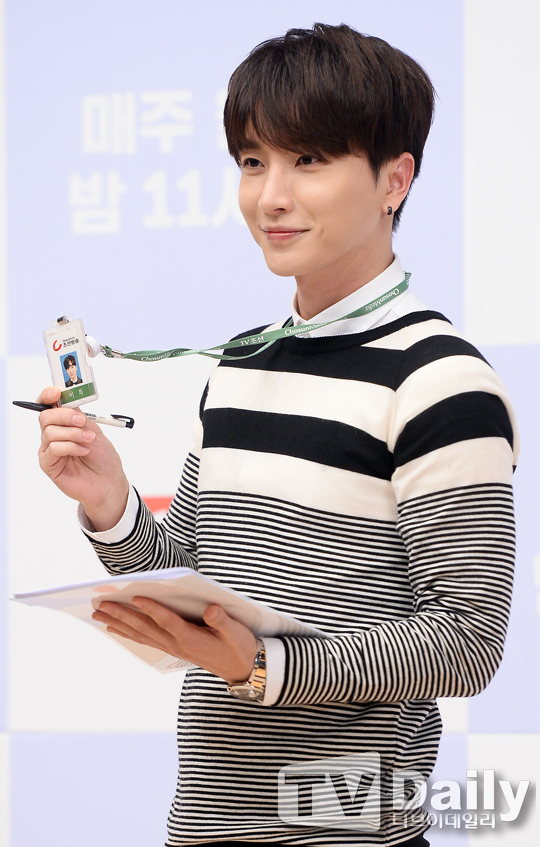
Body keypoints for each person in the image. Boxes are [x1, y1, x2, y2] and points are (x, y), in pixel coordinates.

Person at [36, 23, 518, 847]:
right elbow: (192, 575)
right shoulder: (241, 362)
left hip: (349, 828)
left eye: (310, 159)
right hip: (205, 823)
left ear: (394, 179)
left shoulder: (441, 378)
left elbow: (466, 641)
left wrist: (261, 665)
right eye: (253, 161)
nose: (270, 196)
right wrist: (112, 503)